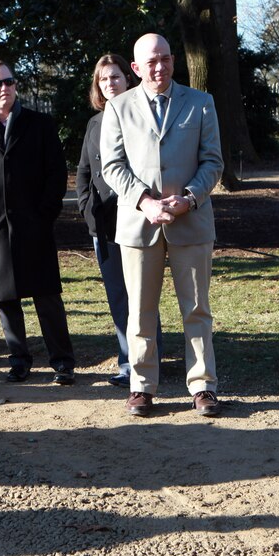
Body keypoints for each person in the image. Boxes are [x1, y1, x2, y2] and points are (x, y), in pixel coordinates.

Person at [100, 34, 224, 418]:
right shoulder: (118, 108)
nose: (160, 67)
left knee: (197, 309)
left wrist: (189, 198)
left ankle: (203, 386)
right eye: (151, 62)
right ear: (135, 68)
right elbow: (112, 166)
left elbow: (213, 162)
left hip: (192, 221)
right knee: (139, 311)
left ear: (174, 60)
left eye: (166, 59)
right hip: (139, 224)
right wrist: (146, 201)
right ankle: (141, 386)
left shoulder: (201, 103)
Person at [0, 59, 75, 384]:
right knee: (5, 299)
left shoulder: (40, 125)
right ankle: (19, 359)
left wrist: (44, 215)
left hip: (34, 227)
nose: (4, 88)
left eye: (9, 81)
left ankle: (63, 362)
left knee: (47, 296)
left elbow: (56, 174)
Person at [76, 54, 161, 387]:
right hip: (104, 224)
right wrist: (87, 210)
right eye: (103, 79)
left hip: (137, 218)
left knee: (142, 294)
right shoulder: (94, 124)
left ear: (128, 79)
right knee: (117, 296)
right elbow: (84, 171)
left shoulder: (141, 116)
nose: (110, 83)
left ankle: (150, 360)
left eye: (115, 77)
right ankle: (128, 362)